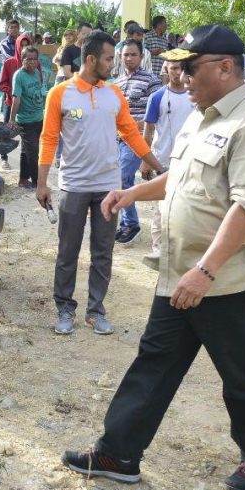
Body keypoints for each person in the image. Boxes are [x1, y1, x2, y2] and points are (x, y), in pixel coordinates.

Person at [60, 25, 245, 490]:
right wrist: (130, 193)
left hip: (231, 275)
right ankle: (118, 452)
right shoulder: (201, 116)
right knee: (155, 360)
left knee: (241, 372)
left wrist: (205, 271)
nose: (181, 76)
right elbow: (179, 180)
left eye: (191, 66)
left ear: (226, 67)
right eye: (179, 66)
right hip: (182, 269)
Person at [36, 30, 164, 336]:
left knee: (103, 251)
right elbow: (49, 138)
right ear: (91, 59)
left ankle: (96, 311)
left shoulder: (113, 93)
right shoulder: (60, 94)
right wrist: (42, 183)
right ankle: (65, 308)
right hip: (74, 185)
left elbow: (131, 133)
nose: (113, 63)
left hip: (109, 185)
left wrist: (158, 165)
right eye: (109, 58)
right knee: (68, 250)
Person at [141, 60, 196, 260]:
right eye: (173, 68)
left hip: (190, 161)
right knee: (160, 208)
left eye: (182, 68)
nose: (177, 73)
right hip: (162, 162)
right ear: (166, 69)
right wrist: (146, 159)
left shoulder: (195, 96)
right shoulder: (157, 97)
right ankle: (159, 249)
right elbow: (148, 130)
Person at [113, 39, 162, 245]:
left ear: (141, 57)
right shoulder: (116, 83)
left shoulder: (152, 81)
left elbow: (155, 115)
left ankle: (131, 224)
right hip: (115, 138)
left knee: (124, 177)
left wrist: (135, 125)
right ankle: (125, 222)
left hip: (135, 139)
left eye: (133, 54)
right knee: (116, 179)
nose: (129, 58)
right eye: (126, 54)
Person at [9, 45, 48, 189]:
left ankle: (23, 179)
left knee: (27, 150)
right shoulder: (19, 76)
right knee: (33, 152)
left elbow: (40, 91)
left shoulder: (37, 72)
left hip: (38, 118)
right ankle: (38, 183)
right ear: (22, 59)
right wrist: (12, 119)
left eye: (34, 59)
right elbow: (16, 99)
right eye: (29, 59)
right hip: (25, 121)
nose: (32, 62)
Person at [0, 33, 35, 171]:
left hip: (28, 106)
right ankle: (4, 158)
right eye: (22, 45)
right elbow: (1, 84)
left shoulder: (35, 64)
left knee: (28, 136)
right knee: (6, 132)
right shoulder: (9, 63)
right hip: (10, 104)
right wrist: (14, 92)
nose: (24, 48)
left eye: (27, 45)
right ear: (17, 46)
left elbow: (39, 81)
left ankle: (26, 167)